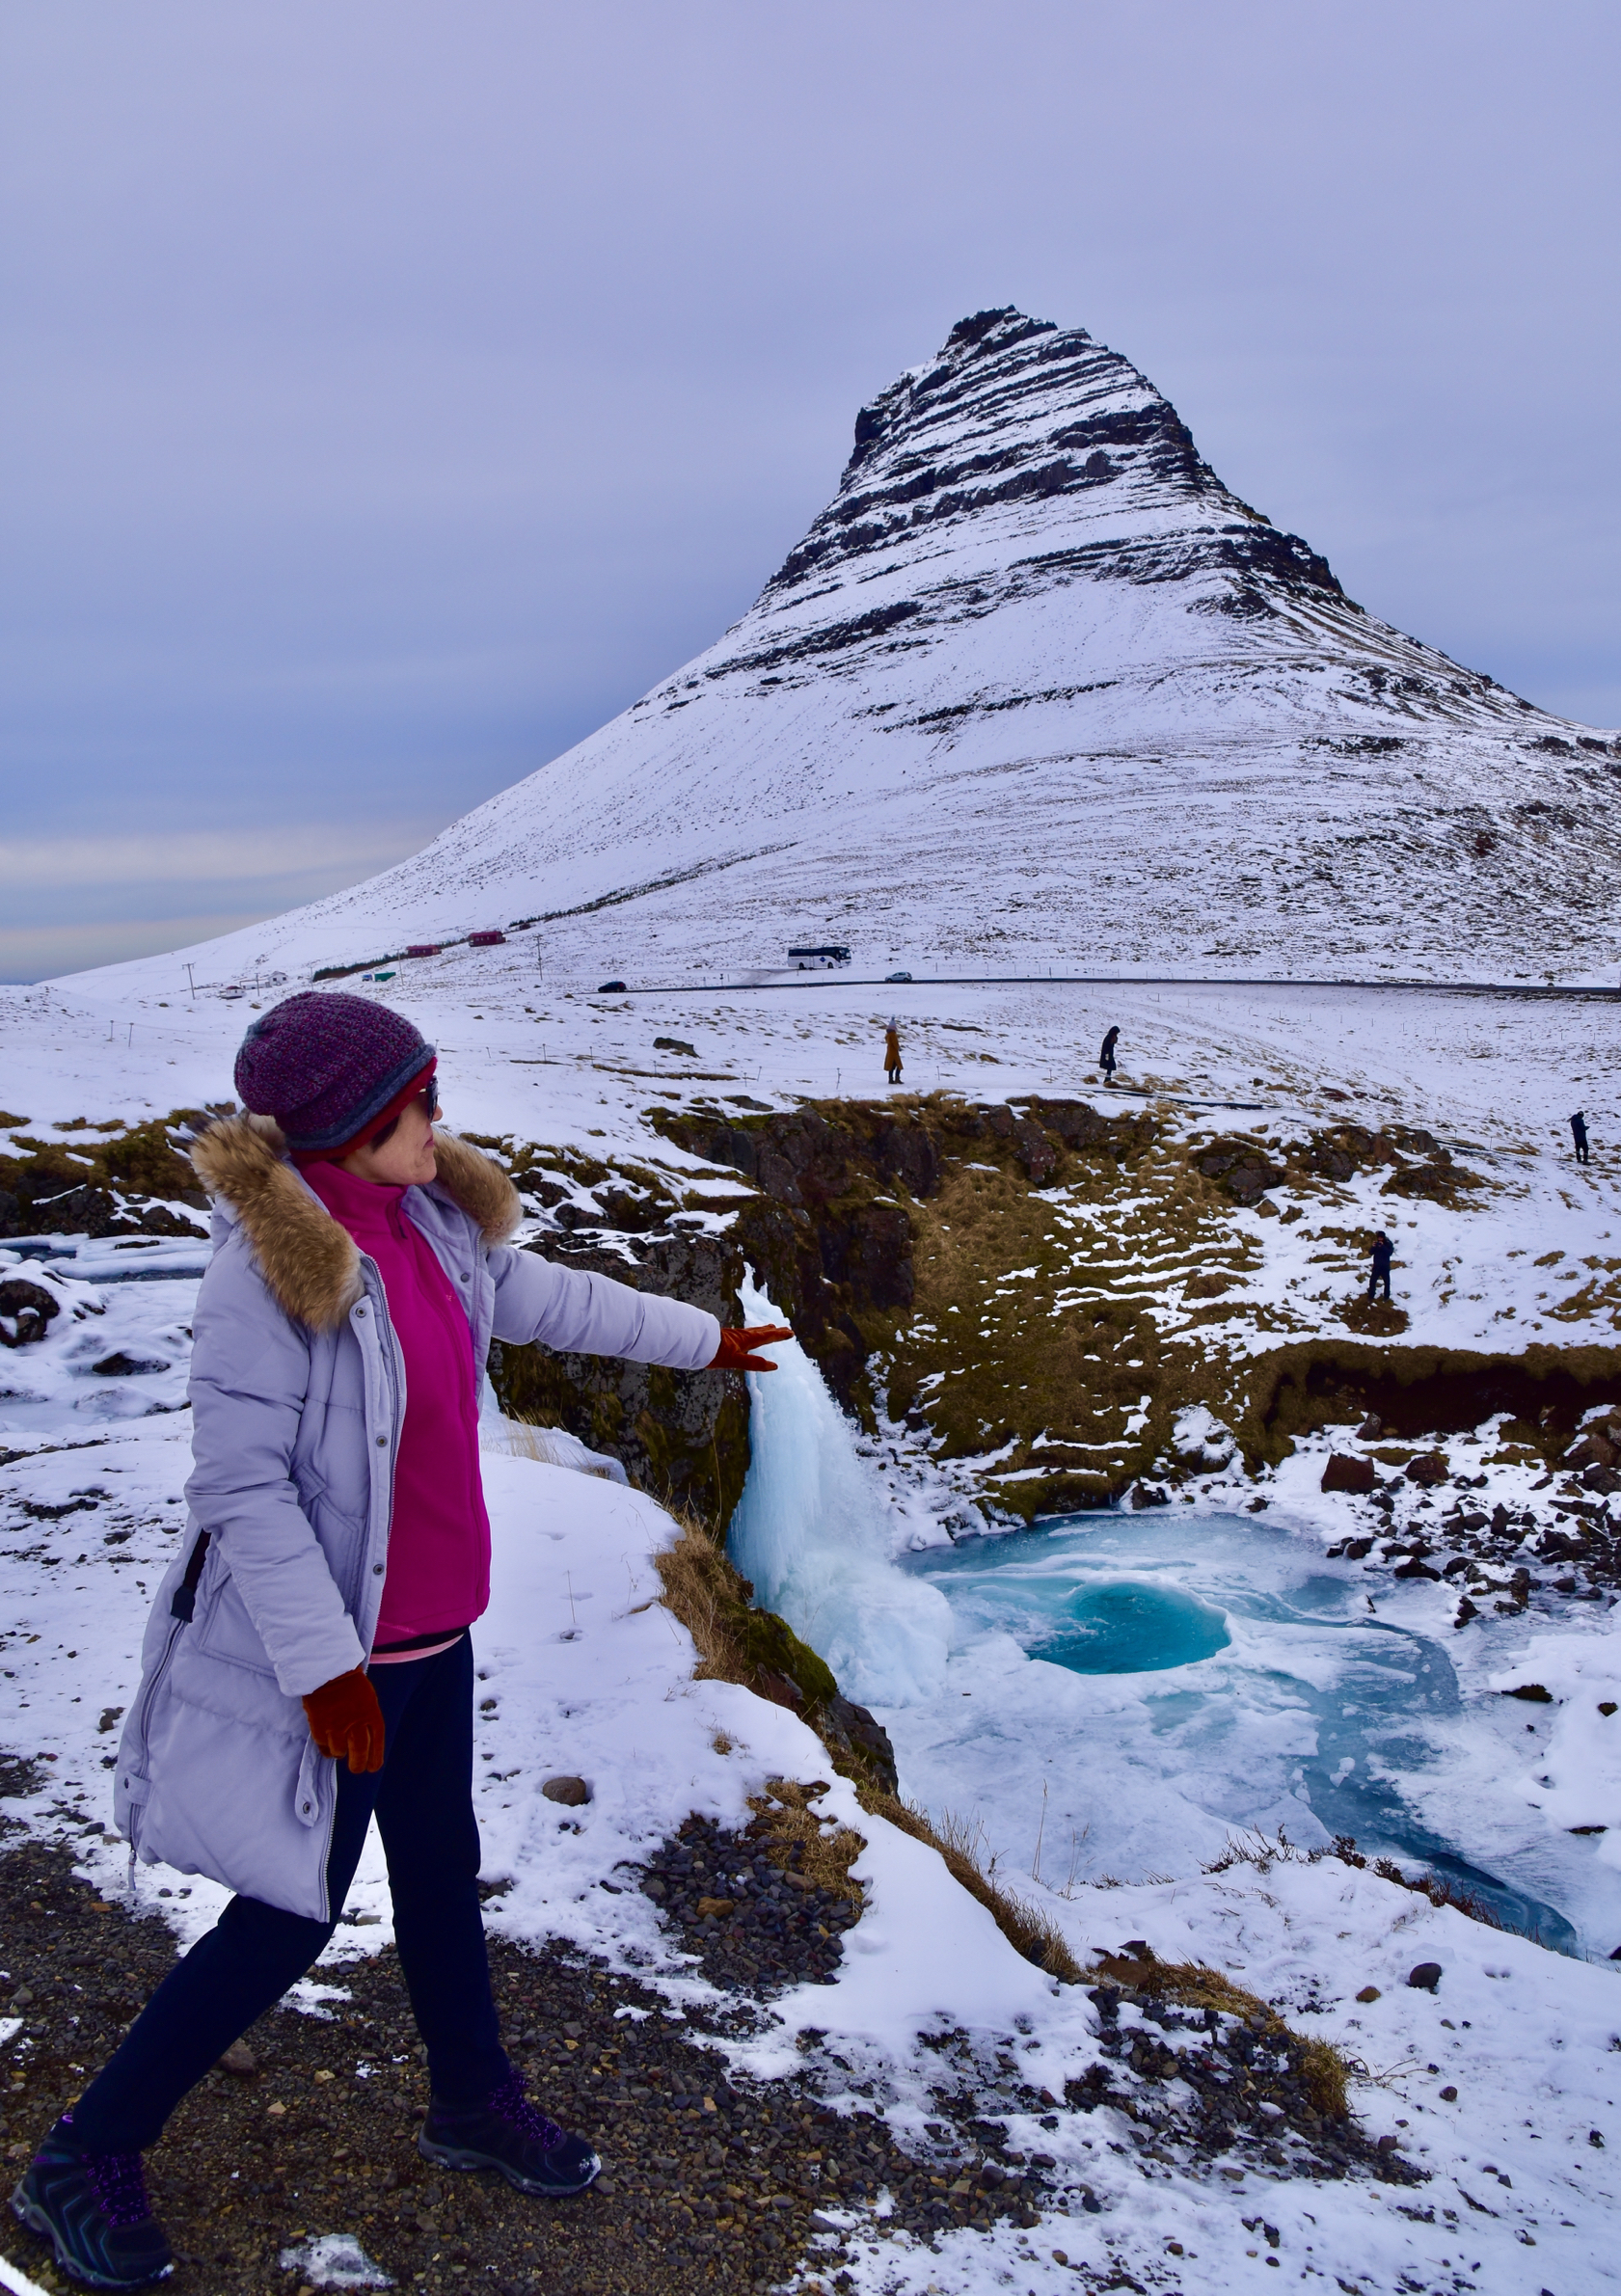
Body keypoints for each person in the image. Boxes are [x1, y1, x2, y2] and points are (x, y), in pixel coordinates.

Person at [11, 992, 791, 2289]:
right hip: (346, 1663)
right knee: (285, 1917)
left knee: (439, 1878)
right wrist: (325, 1671)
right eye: (419, 1102)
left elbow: (554, 1301)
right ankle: (80, 2154)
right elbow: (241, 1492)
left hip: (438, 1640)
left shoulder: (434, 1224)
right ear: (355, 1127)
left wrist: (705, 1339)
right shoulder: (268, 1277)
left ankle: (470, 2103)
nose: (441, 1119)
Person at [1367, 1230, 1394, 1301]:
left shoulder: (1388, 1244)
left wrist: (1382, 1246)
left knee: (1387, 1282)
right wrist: (1373, 1247)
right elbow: (1370, 1253)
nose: (1379, 1239)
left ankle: (1386, 1296)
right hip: (1376, 1266)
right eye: (1378, 1238)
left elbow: (1389, 1253)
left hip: (1385, 1267)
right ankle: (1371, 1296)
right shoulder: (1377, 1244)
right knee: (1372, 1281)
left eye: (1381, 1238)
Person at [883, 1019, 903, 1085]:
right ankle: (897, 1078)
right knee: (899, 1066)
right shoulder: (893, 1034)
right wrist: (898, 1048)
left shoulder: (888, 1034)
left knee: (891, 1066)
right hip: (894, 1052)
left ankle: (890, 1079)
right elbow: (895, 1043)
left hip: (889, 1052)